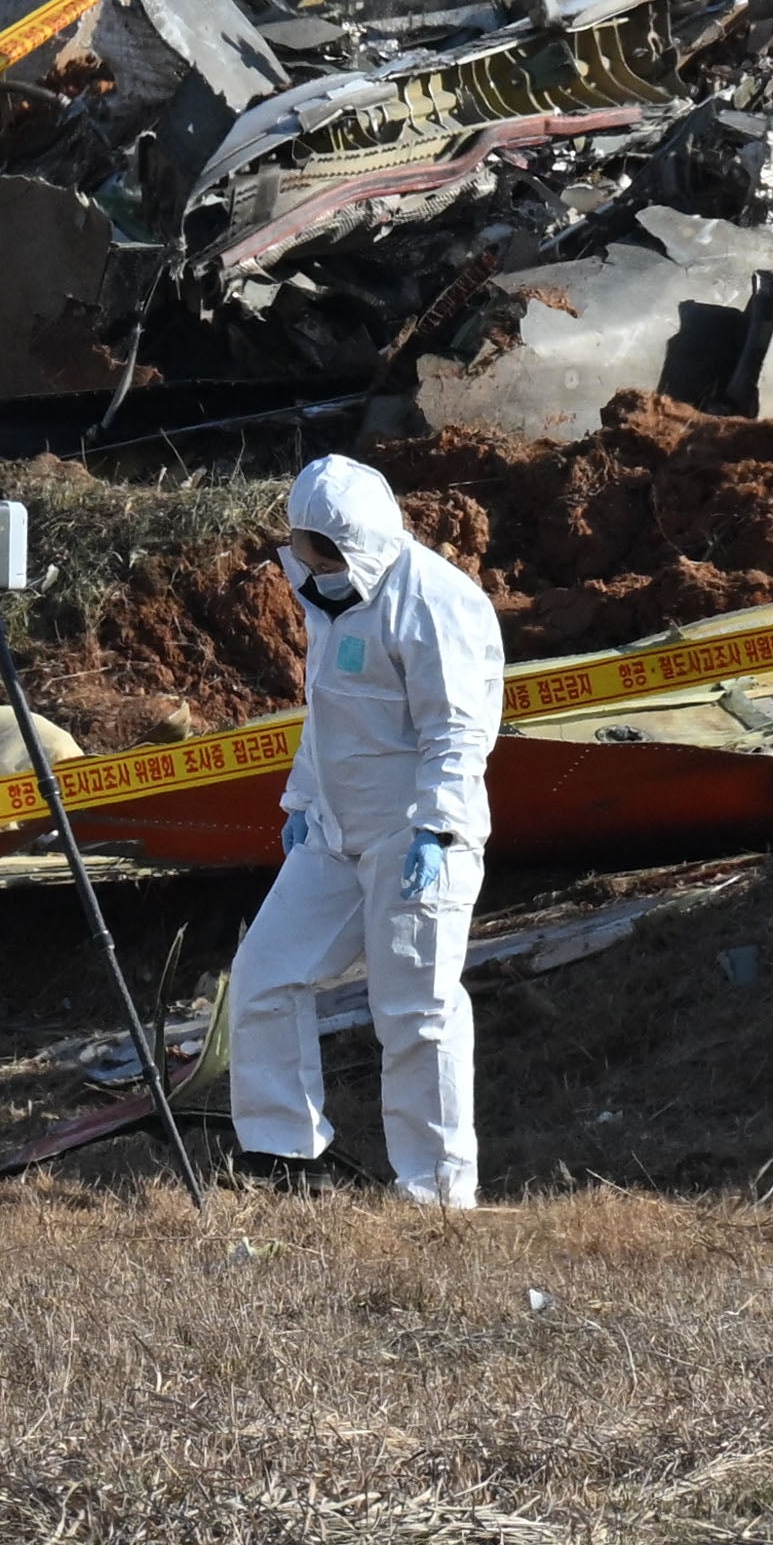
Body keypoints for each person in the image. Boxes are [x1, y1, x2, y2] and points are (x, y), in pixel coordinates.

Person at [229, 452, 504, 1203]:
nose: (304, 564)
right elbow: (330, 715)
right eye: (302, 547)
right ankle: (284, 1150)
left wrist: (438, 829)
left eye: (316, 550)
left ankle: (438, 1191)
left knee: (416, 1010)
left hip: (413, 838)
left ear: (353, 544)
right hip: (333, 832)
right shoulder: (329, 596)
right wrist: (299, 801)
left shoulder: (433, 602)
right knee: (264, 974)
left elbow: (457, 729)